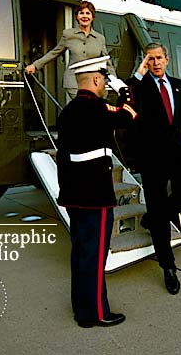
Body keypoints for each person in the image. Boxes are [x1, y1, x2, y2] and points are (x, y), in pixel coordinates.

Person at [56, 56, 137, 328]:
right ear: (95, 80)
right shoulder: (98, 108)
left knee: (80, 252)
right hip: (95, 196)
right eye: (103, 80)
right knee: (94, 255)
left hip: (73, 194)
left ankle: (81, 307)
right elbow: (128, 117)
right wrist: (124, 90)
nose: (103, 85)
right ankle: (95, 313)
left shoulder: (67, 112)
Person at [128, 42, 181, 295]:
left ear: (167, 59)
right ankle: (169, 267)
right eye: (149, 59)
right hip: (152, 157)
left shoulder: (179, 85)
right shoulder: (140, 87)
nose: (155, 63)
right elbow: (127, 95)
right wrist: (138, 73)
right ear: (145, 62)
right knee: (157, 204)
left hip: (177, 152)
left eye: (158, 58)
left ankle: (153, 219)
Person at [25, 0, 118, 98]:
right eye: (81, 13)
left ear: (92, 17)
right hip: (73, 82)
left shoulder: (100, 38)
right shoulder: (68, 34)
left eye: (88, 13)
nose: (84, 16)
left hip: (94, 82)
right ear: (77, 16)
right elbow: (54, 53)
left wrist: (115, 81)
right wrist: (35, 65)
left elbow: (107, 62)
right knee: (82, 107)